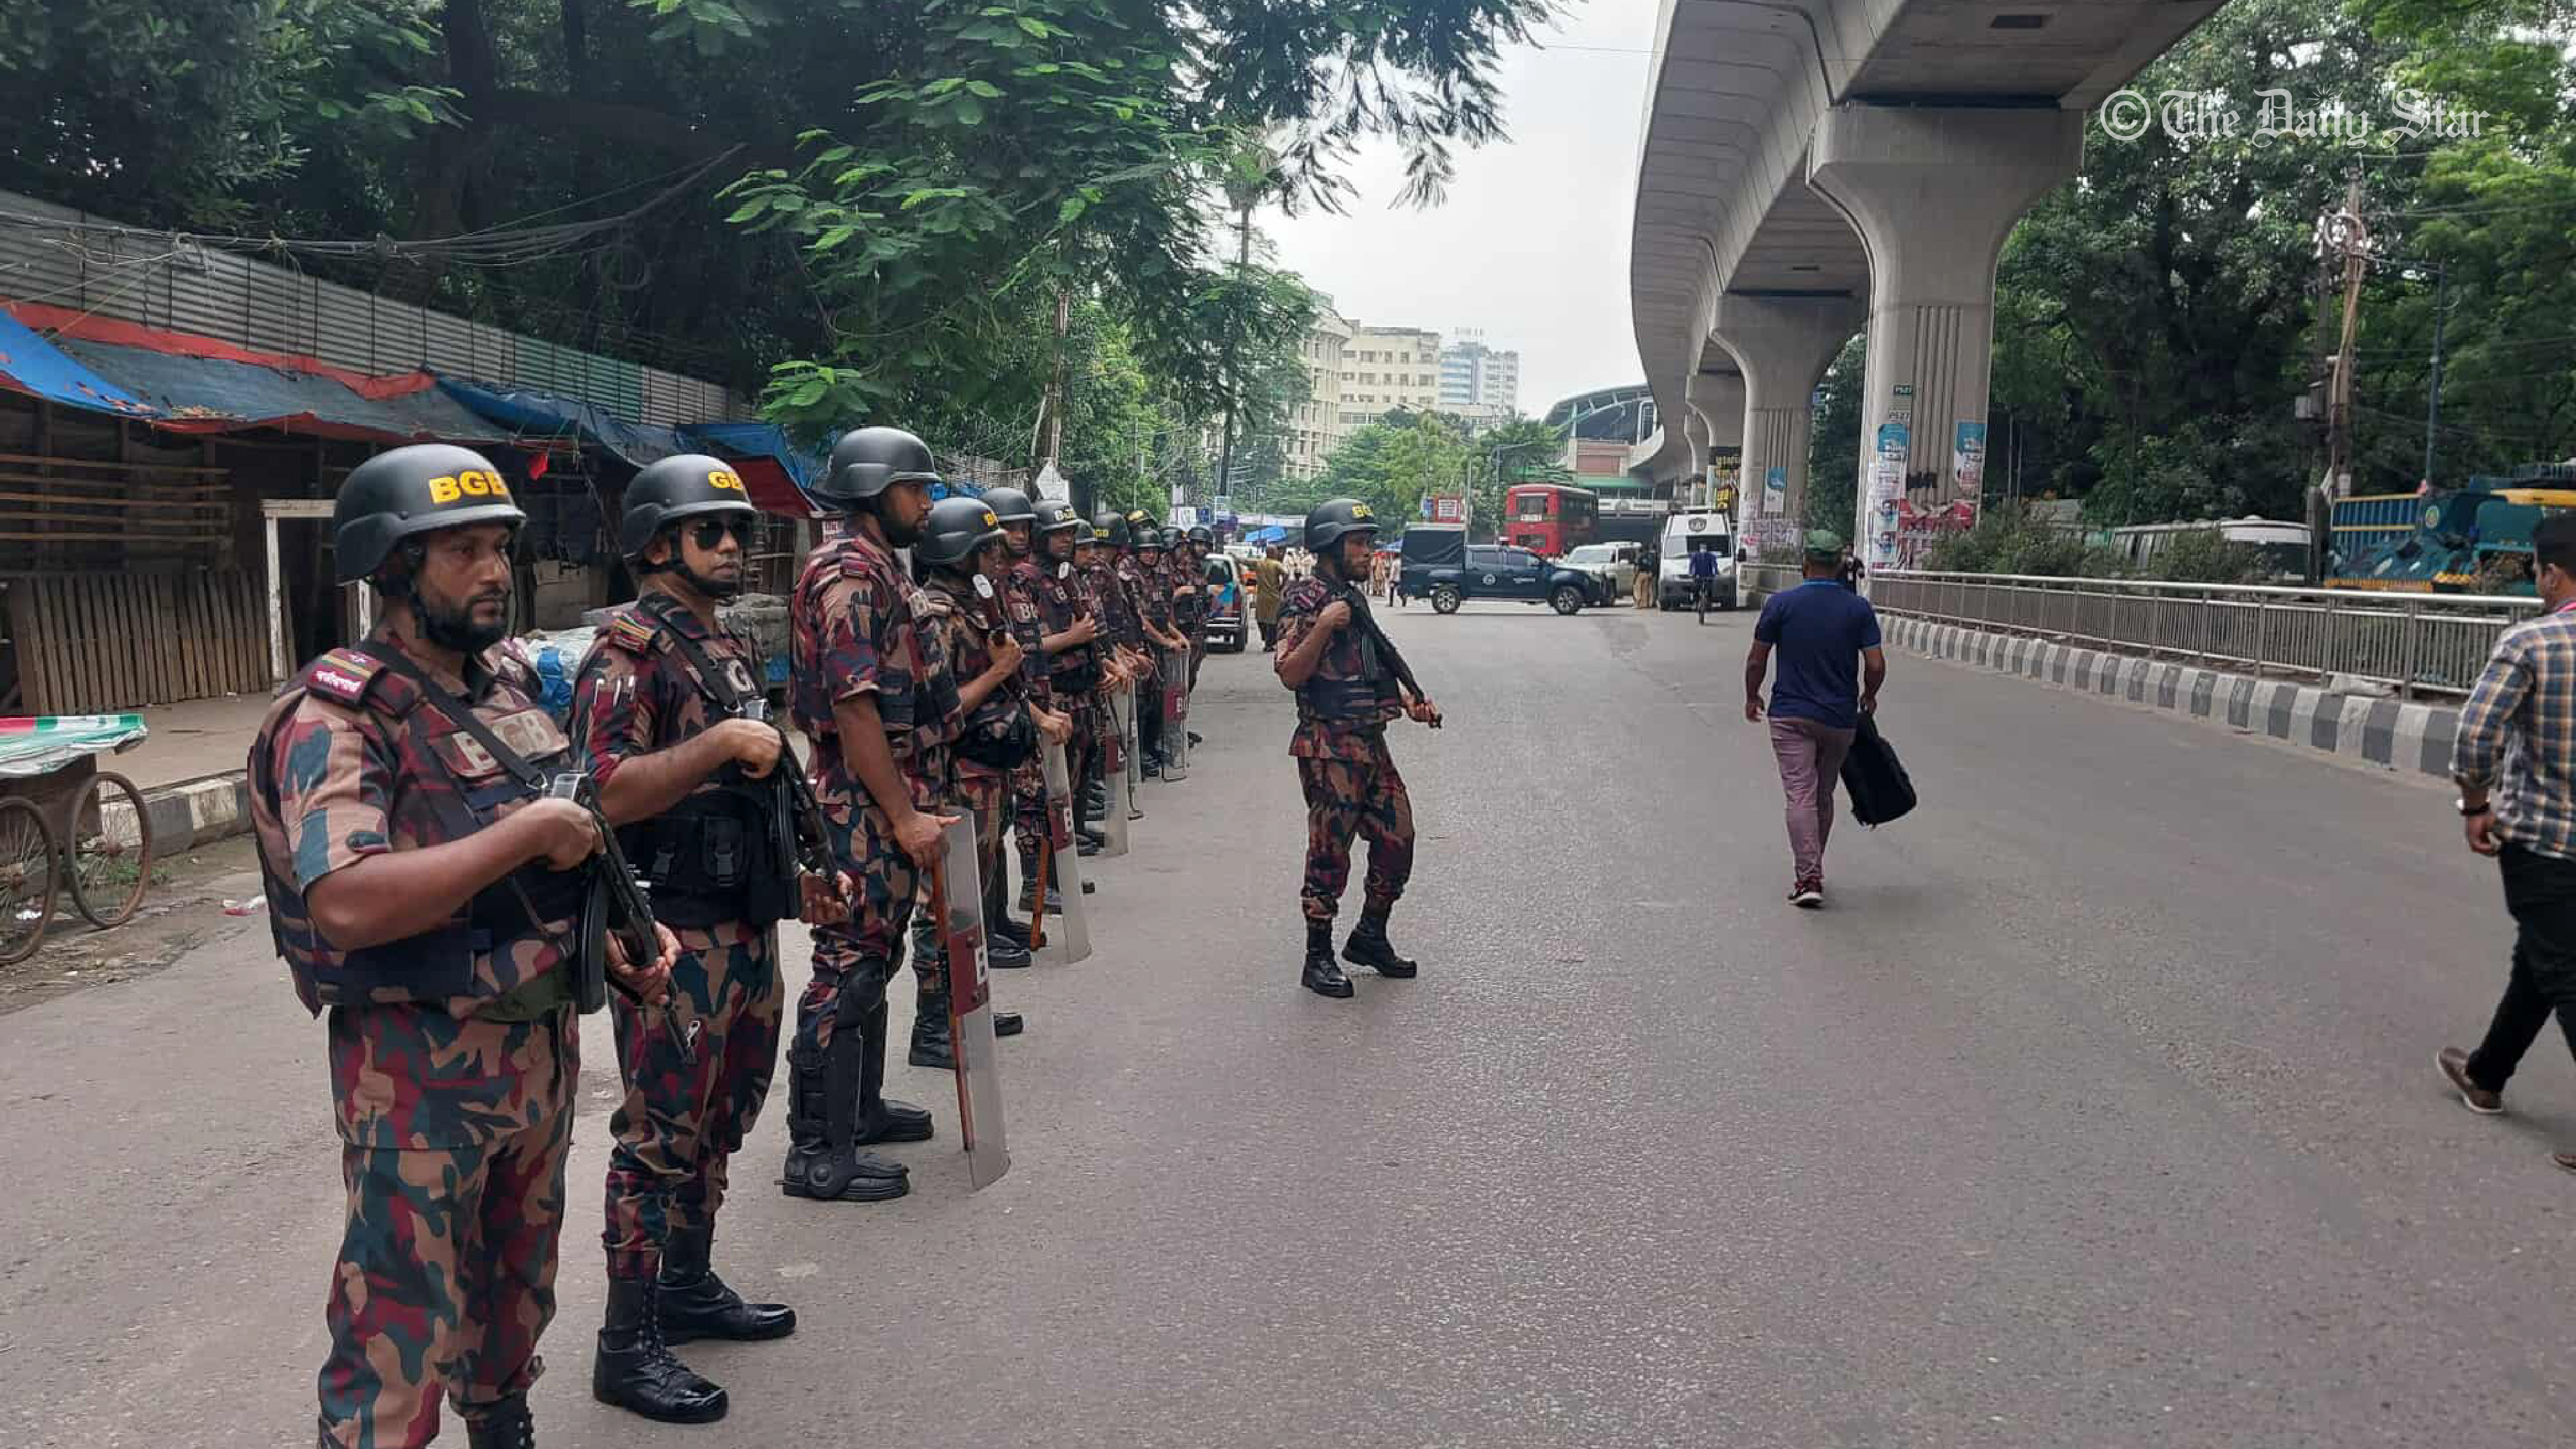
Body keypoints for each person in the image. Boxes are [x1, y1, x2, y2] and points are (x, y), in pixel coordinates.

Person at [247, 442, 677, 1449]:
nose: (494, 571)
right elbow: (346, 902)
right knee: (397, 1332)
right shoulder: (338, 715)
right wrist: (522, 834)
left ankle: (505, 1425)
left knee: (514, 1300)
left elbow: (543, 860)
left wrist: (607, 940)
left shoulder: (506, 688)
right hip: (417, 1074)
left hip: (534, 1057)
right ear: (395, 570)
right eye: (462, 552)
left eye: (499, 548)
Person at [571, 455, 845, 1423]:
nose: (734, 545)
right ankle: (626, 1341)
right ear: (658, 543)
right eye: (710, 531)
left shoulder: (720, 643)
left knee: (722, 1120)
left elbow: (768, 778)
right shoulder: (628, 654)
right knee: (657, 1137)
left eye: (737, 532)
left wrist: (814, 855)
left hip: (746, 923)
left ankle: (687, 1285)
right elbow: (598, 798)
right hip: (672, 934)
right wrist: (720, 746)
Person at [779, 426, 961, 1204]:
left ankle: (862, 1110)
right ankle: (819, 1149)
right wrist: (903, 817)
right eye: (917, 489)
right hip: (860, 802)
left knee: (875, 959)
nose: (927, 503)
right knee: (846, 968)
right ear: (877, 492)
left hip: (884, 792)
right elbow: (856, 715)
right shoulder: (850, 577)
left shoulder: (883, 569)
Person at [2438, 514, 2576, 1159]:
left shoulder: (2532, 643)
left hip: (2545, 842)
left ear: (2551, 572)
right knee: (2541, 959)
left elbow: (2474, 736)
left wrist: (2474, 802)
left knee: (2561, 966)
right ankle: (2487, 1074)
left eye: (2538, 573)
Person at [1274, 498, 1442, 999]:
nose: (1369, 551)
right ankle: (1317, 955)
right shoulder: (1305, 598)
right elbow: (1289, 673)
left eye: (1369, 542)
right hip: (1329, 745)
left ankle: (1370, 934)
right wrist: (1324, 625)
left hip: (1370, 740)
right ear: (1329, 545)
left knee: (1399, 838)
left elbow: (1374, 660)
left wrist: (1409, 700)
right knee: (1330, 853)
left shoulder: (1353, 597)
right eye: (1359, 542)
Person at [908, 496, 1055, 1066]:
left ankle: (964, 1006)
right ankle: (932, 1023)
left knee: (971, 898)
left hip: (987, 773)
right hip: (956, 775)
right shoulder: (940, 616)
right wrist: (999, 669)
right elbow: (938, 710)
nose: (997, 558)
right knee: (944, 904)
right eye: (986, 548)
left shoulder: (975, 606)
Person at [1743, 529, 1886, 908]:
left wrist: (1751, 696)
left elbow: (1757, 659)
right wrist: (1869, 696)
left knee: (1800, 795)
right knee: (1822, 794)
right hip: (1839, 719)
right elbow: (1875, 664)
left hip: (1790, 715)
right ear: (1841, 566)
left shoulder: (1781, 604)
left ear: (1805, 565)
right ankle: (1813, 868)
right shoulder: (1858, 609)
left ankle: (1809, 876)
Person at [1255, 544, 1287, 651]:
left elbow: (1244, 561)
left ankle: (1265, 638)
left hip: (1261, 596)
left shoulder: (1259, 563)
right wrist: (1282, 586)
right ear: (1273, 553)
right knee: (1272, 621)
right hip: (1274, 596)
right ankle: (1269, 643)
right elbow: (1286, 574)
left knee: (1260, 618)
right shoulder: (1276, 564)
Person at [1688, 542, 1721, 616]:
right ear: (1700, 549)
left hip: (1708, 576)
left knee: (1710, 589)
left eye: (1705, 548)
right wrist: (1691, 573)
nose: (1703, 550)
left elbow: (1714, 564)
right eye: (1702, 548)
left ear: (1706, 549)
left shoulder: (1711, 556)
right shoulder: (1695, 556)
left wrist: (1716, 572)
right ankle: (1695, 603)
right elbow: (1691, 565)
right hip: (1698, 576)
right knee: (1695, 589)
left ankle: (1709, 603)